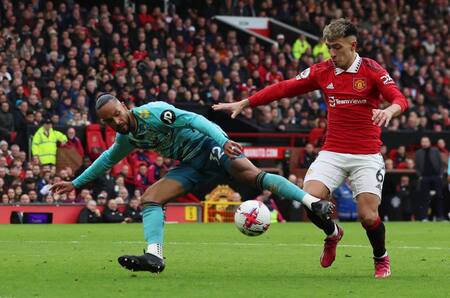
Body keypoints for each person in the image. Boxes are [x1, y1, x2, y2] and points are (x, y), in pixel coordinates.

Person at [51, 93, 334, 274]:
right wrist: (76, 183)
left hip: (209, 147)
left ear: (125, 106)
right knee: (150, 197)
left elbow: (198, 121)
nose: (116, 121)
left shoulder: (154, 113)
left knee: (251, 175)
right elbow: (107, 159)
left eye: (117, 113)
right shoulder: (127, 138)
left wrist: (223, 141)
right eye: (109, 120)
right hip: (191, 166)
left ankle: (313, 203)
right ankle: (154, 256)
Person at [213, 19, 409, 278]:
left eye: (337, 48)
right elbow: (285, 88)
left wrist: (390, 110)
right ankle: (332, 233)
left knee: (368, 217)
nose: (332, 54)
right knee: (309, 200)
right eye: (329, 48)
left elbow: (399, 98)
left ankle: (380, 257)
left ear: (353, 46)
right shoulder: (322, 71)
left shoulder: (372, 70)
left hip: (366, 154)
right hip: (333, 152)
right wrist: (247, 102)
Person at [415, 136, 444, 220]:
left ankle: (440, 216)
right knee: (424, 198)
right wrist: (420, 176)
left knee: (439, 196)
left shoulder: (435, 151)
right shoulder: (418, 153)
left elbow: (441, 163)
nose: (424, 143)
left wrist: (441, 175)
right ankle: (424, 217)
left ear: (429, 142)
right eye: (423, 141)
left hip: (436, 177)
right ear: (421, 143)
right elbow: (417, 167)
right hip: (424, 178)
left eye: (426, 141)